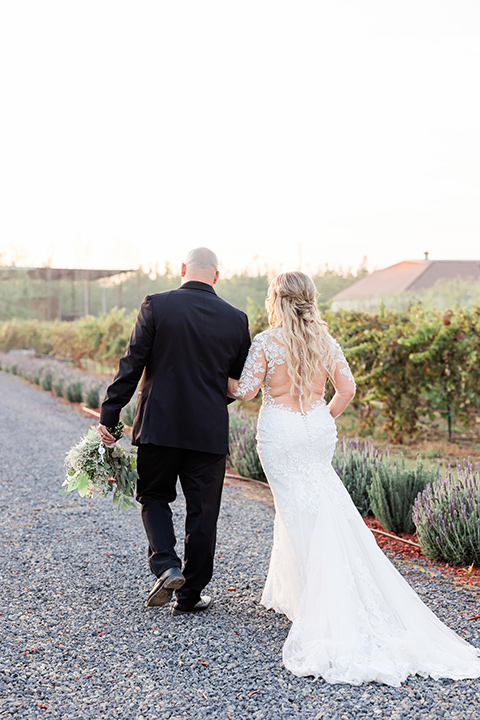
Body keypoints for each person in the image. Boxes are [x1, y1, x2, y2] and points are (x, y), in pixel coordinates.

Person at [227, 271, 480, 686]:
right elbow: (347, 388)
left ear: (276, 298)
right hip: (315, 429)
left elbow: (248, 392)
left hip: (281, 434)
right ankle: (298, 591)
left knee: (295, 508)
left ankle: (321, 601)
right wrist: (320, 416)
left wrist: (211, 374)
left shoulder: (267, 341)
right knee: (321, 503)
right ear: (309, 299)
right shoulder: (324, 341)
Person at [98, 248, 251, 615]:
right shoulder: (237, 319)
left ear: (183, 269)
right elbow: (238, 382)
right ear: (217, 276)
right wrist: (212, 405)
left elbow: (131, 364)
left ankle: (166, 565)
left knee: (154, 497)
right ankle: (191, 595)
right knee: (203, 512)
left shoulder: (156, 305)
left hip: (158, 426)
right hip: (207, 432)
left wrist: (110, 414)